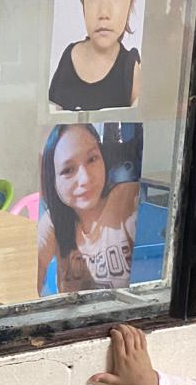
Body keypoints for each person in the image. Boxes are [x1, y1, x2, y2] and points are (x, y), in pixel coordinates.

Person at [38, 124, 138, 295]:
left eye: (92, 159)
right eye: (68, 170)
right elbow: (35, 263)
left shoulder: (126, 199)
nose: (85, 179)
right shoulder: (54, 220)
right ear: (53, 181)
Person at [49, 0, 142, 111]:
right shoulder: (69, 56)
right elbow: (51, 118)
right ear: (82, 0)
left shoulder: (130, 69)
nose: (104, 12)